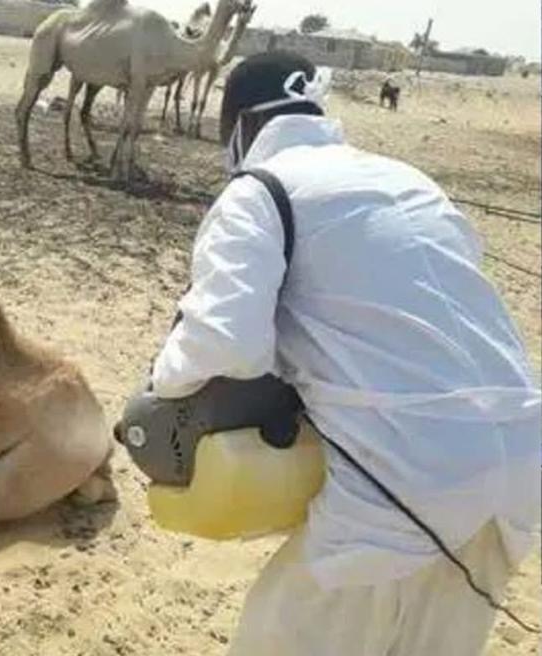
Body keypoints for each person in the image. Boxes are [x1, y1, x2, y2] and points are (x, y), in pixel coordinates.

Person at [143, 51, 541, 655]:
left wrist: (158, 391)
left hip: (406, 477)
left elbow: (223, 343)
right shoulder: (409, 181)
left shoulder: (260, 190)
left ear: (241, 129)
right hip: (518, 467)